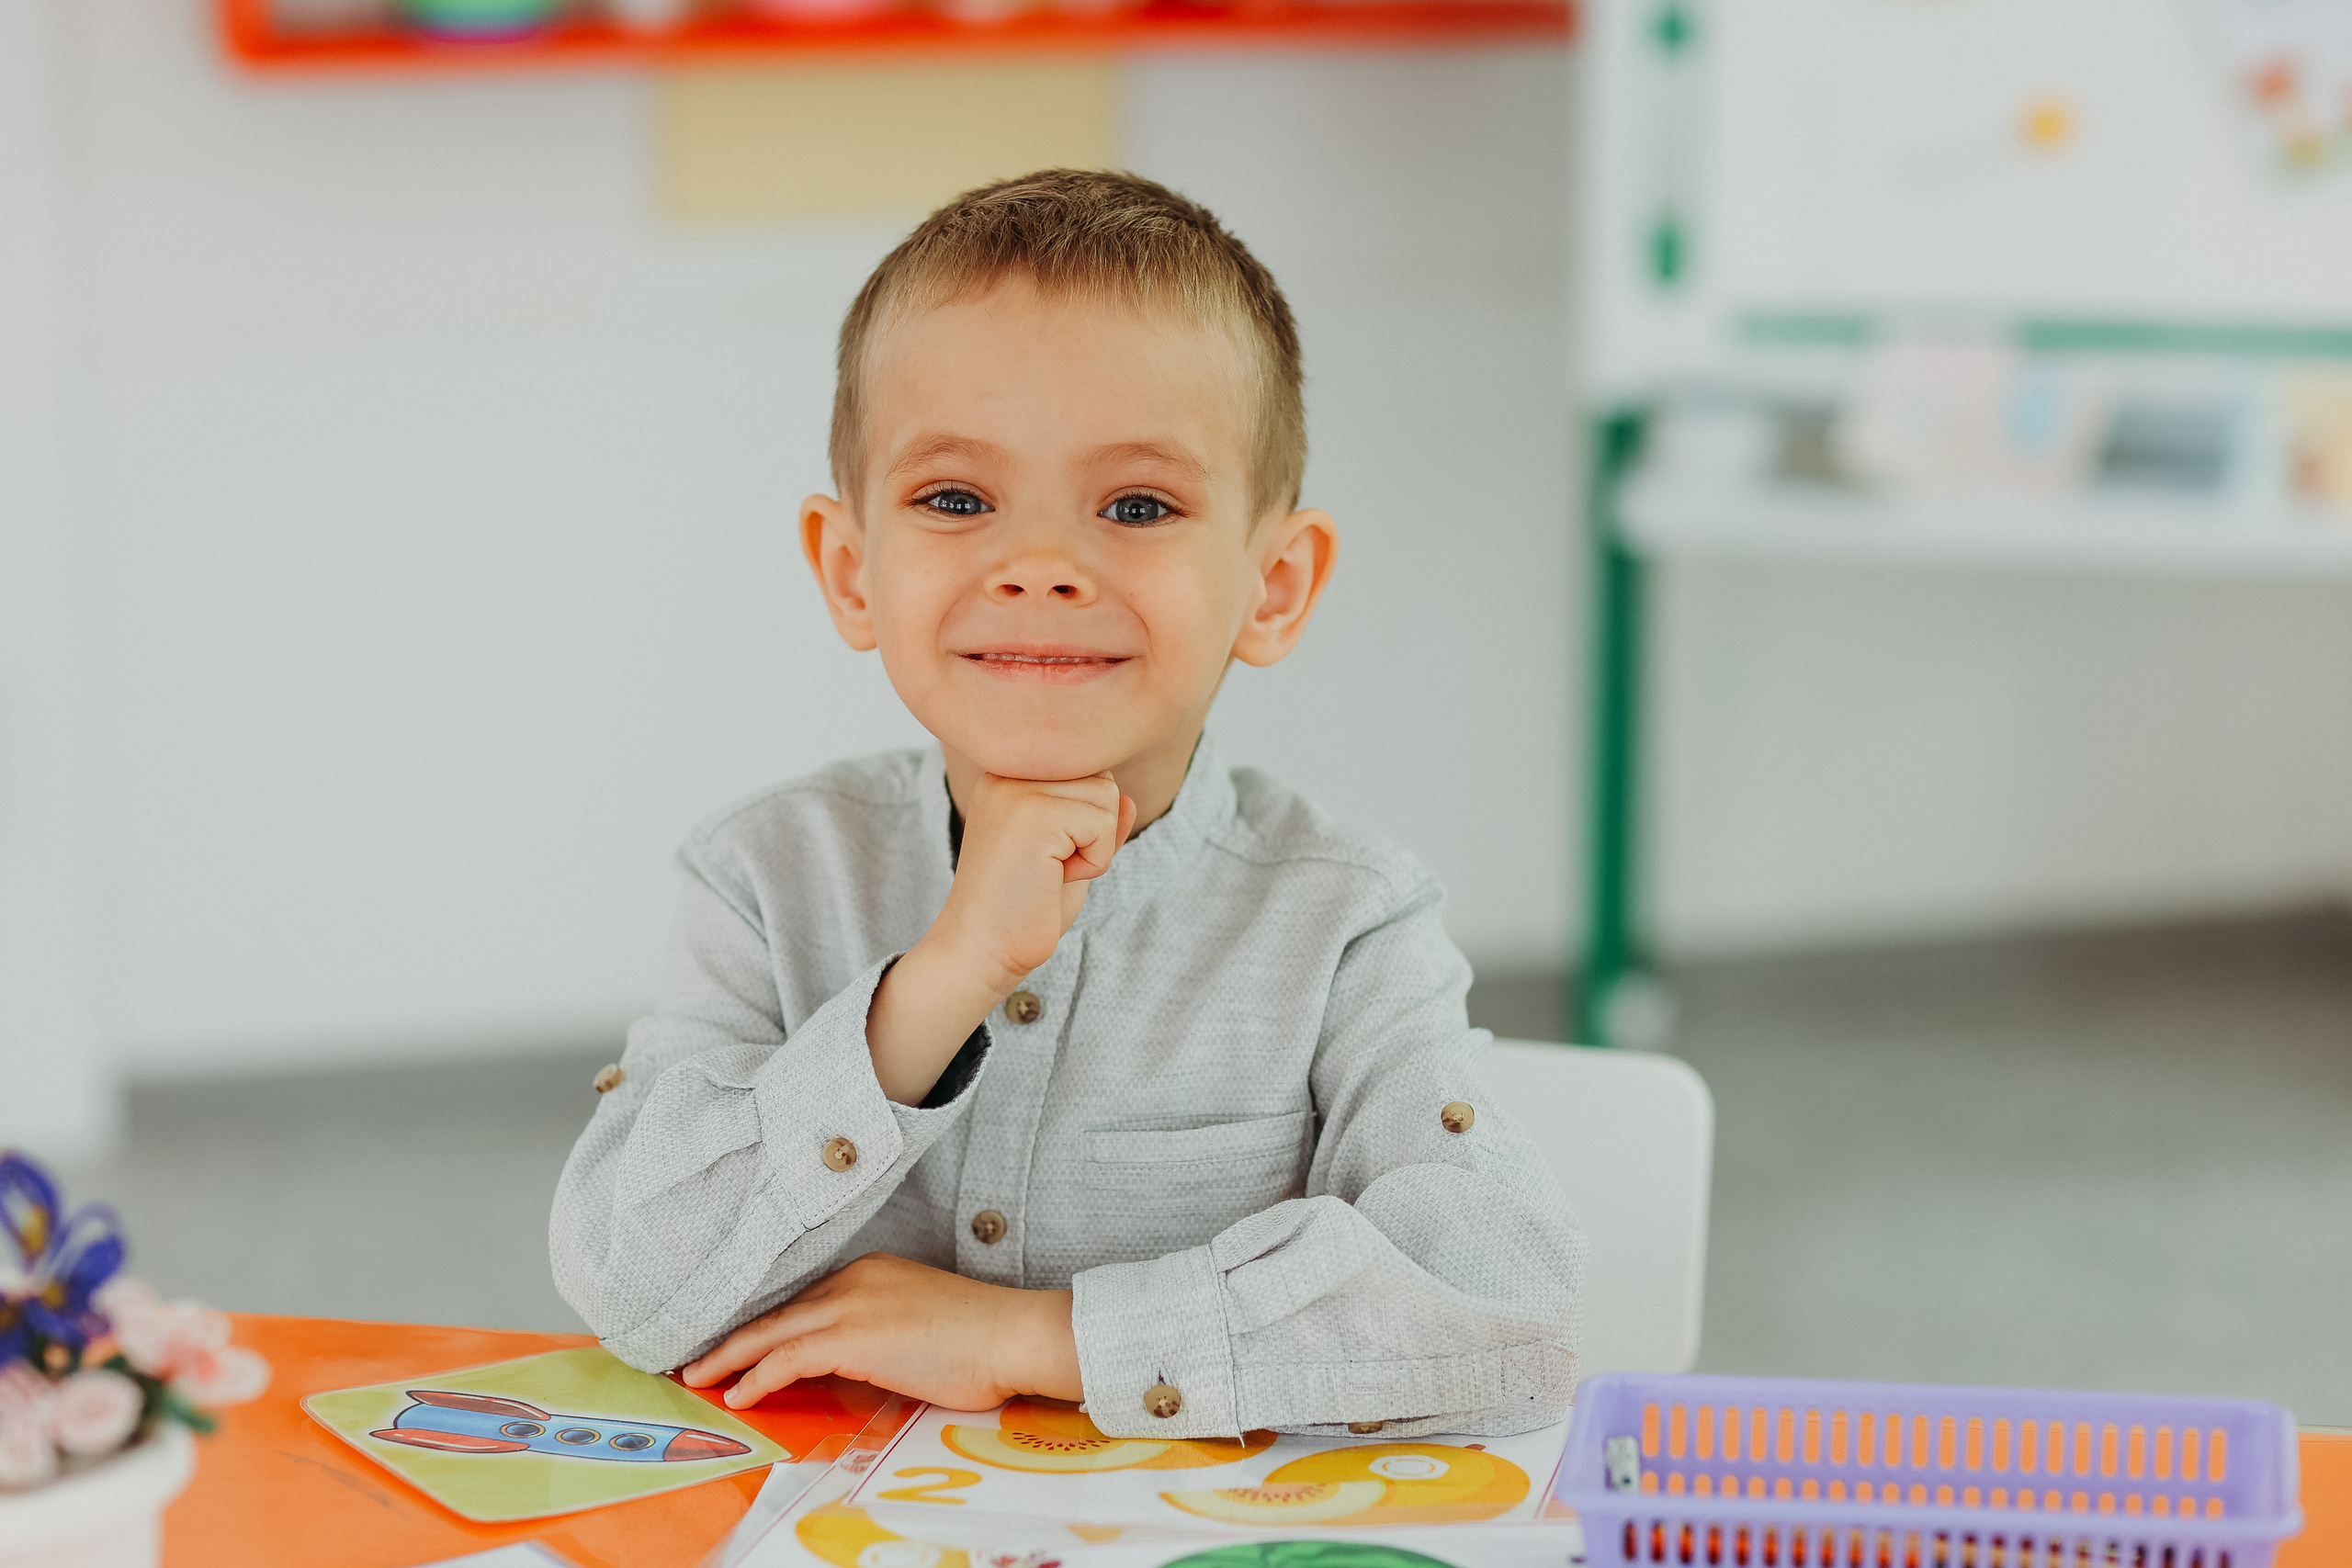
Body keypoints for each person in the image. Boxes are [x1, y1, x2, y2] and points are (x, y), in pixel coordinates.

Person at [549, 169, 1583, 1441]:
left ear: (1273, 587)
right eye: (956, 499)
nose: (1039, 567)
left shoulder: (1349, 921)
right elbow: (631, 1288)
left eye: (1136, 506)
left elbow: (1504, 1309)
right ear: (850, 568)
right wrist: (936, 985)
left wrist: (1038, 1339)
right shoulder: (764, 875)